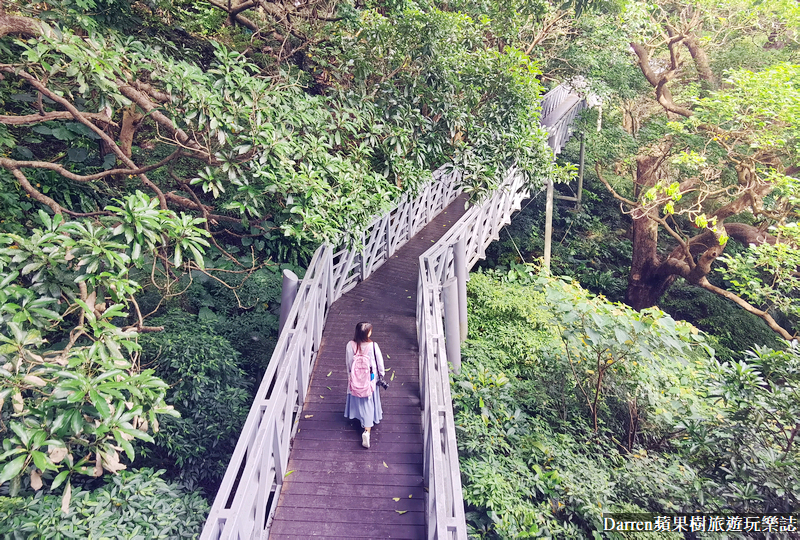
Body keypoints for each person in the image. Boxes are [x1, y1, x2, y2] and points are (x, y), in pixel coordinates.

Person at [344, 321, 385, 448]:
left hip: (356, 380)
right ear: (367, 333)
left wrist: (350, 377)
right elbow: (380, 363)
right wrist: (381, 376)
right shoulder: (373, 346)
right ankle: (367, 431)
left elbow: (349, 363)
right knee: (368, 403)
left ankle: (358, 417)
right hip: (370, 380)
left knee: (358, 399)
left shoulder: (350, 345)